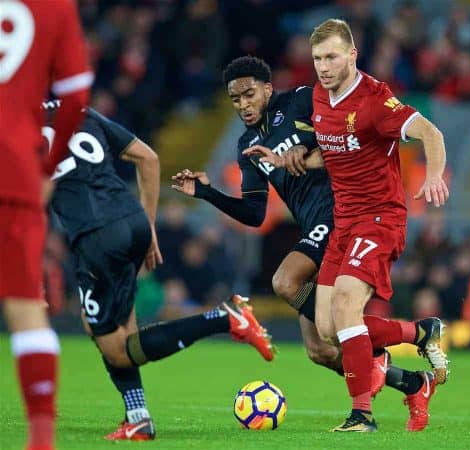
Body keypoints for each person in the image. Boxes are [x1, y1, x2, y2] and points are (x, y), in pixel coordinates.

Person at [174, 56, 443, 430]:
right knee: (321, 349)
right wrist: (207, 193)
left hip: (341, 214)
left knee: (285, 281)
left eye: (249, 94)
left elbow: (342, 135)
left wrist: (310, 150)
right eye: (235, 99)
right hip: (312, 227)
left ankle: (371, 394)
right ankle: (413, 379)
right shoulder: (248, 145)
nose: (244, 105)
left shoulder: (301, 102)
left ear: (268, 89)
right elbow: (254, 213)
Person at [244, 19, 450, 432]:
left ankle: (362, 416)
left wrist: (433, 175)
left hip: (380, 218)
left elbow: (431, 132)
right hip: (344, 221)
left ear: (352, 55)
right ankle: (420, 334)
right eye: (318, 58)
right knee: (328, 330)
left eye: (332, 56)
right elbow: (336, 152)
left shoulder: (375, 100)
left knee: (345, 308)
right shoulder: (321, 96)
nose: (323, 66)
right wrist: (293, 159)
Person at [44, 102, 274, 442]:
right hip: (132, 220)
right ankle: (138, 417)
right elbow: (148, 158)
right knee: (112, 327)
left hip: (96, 237)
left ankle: (225, 318)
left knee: (117, 347)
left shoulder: (18, 127)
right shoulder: (78, 111)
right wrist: (149, 226)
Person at [0, 2, 92, 449]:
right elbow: (77, 94)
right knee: (26, 310)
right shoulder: (54, 6)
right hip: (13, 169)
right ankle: (40, 442)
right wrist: (46, 170)